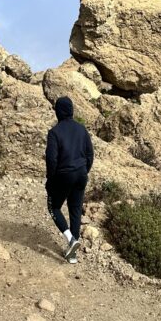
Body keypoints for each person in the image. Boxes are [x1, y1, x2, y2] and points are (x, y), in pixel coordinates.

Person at [45, 96, 93, 264]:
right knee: (75, 210)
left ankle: (71, 240)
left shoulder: (54, 132)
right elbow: (90, 155)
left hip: (64, 176)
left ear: (58, 111)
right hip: (81, 174)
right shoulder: (82, 129)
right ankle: (72, 255)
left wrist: (50, 182)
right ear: (72, 110)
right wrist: (83, 171)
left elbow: (51, 160)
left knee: (53, 206)